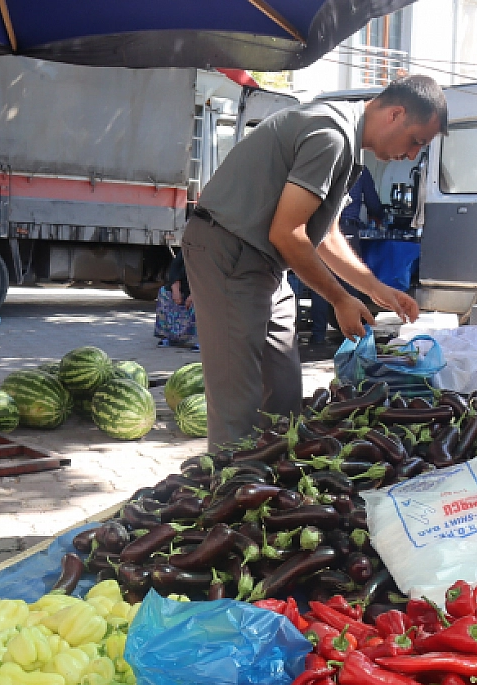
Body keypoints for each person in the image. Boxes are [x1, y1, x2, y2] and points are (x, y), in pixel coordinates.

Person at [182, 75, 447, 450]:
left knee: (285, 393)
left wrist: (375, 289)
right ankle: (230, 494)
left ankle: (275, 485)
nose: (411, 155)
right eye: (416, 141)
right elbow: (287, 233)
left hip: (266, 265)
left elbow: (324, 235)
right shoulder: (332, 135)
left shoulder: (350, 146)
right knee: (237, 407)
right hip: (229, 251)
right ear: (396, 114)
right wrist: (339, 300)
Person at [153, 253, 197, 348]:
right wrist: (175, 288)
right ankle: (167, 336)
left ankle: (202, 340)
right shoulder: (188, 247)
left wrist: (195, 294)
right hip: (184, 286)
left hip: (204, 289)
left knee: (203, 300)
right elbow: (175, 266)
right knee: (164, 292)